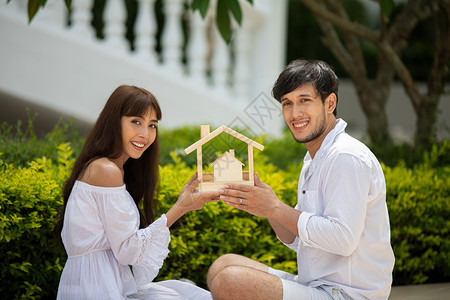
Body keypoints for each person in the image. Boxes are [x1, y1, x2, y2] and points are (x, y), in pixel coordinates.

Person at [208, 60, 395, 300]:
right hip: (315, 285)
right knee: (223, 265)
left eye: (304, 100)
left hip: (346, 295)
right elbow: (296, 240)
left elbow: (343, 240)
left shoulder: (345, 157)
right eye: (287, 103)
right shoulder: (314, 158)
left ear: (330, 103)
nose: (295, 113)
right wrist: (266, 208)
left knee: (229, 281)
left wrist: (275, 206)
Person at [54, 85, 220, 299]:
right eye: (136, 122)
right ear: (114, 121)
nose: (145, 134)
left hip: (109, 283)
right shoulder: (104, 170)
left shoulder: (116, 169)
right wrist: (180, 208)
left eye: (152, 125)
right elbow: (128, 250)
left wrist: (182, 205)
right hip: (96, 288)